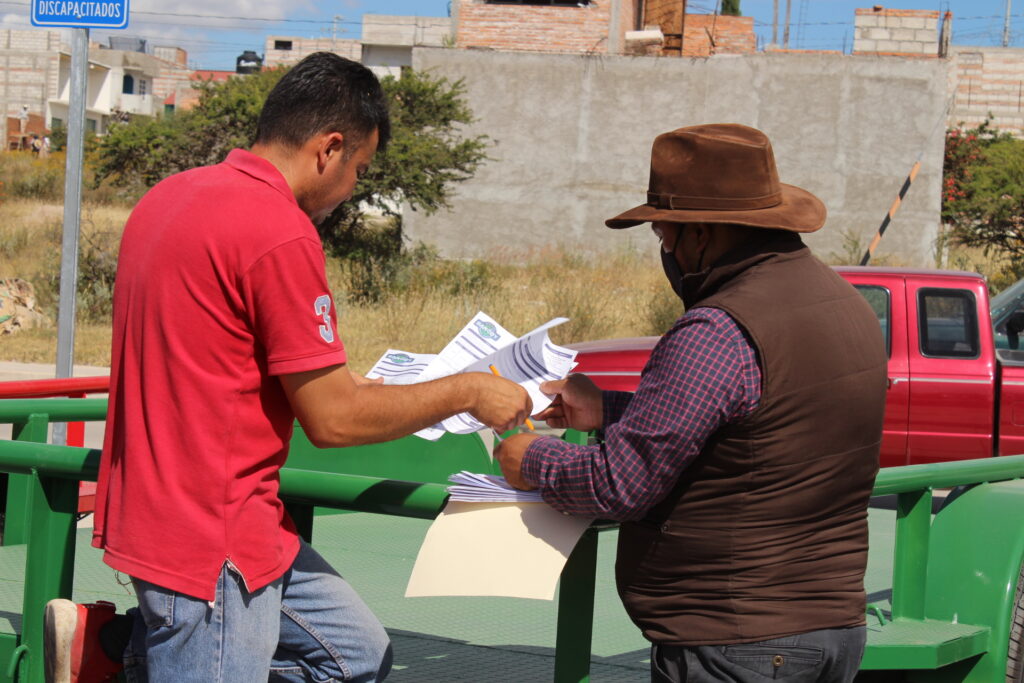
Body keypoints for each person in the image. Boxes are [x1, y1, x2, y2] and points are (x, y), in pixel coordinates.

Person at [44, 52, 531, 683]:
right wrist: (466, 391)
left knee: (355, 655)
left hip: (165, 514)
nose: (352, 186)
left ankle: (113, 648)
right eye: (358, 168)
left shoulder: (170, 197)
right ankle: (136, 654)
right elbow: (332, 421)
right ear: (329, 148)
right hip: (215, 542)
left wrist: (363, 388)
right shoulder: (279, 231)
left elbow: (219, 360)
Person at [495, 123, 887, 682]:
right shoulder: (847, 305)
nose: (667, 253)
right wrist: (608, 411)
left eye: (665, 236)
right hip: (832, 631)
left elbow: (619, 485)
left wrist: (529, 459)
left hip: (736, 641)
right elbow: (759, 428)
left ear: (701, 234)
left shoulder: (717, 328)